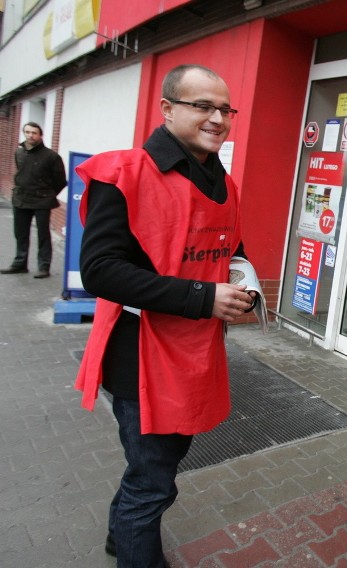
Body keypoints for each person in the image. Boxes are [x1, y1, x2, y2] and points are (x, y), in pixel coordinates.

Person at [75, 64, 255, 568]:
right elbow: (101, 272)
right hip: (139, 355)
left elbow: (231, 248)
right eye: (203, 105)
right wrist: (203, 298)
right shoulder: (125, 173)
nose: (217, 118)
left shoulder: (223, 179)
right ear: (168, 109)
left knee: (152, 469)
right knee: (153, 481)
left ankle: (120, 533)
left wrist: (246, 284)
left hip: (193, 351)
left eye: (225, 108)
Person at [1, 122, 67, 278]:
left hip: (42, 200)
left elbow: (60, 180)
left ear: (40, 135)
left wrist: (48, 194)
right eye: (27, 132)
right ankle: (19, 264)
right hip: (21, 199)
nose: (30, 135)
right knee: (20, 234)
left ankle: (44, 267)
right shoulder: (19, 152)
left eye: (34, 133)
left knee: (43, 235)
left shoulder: (51, 156)